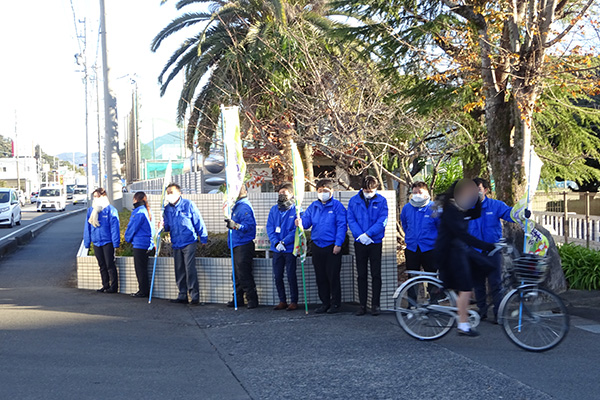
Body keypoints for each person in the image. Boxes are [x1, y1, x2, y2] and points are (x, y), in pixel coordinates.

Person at [435, 179, 496, 337]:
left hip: (460, 251)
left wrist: (478, 199)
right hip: (450, 253)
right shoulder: (451, 210)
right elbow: (462, 235)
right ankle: (463, 324)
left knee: (482, 270)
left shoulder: (460, 207)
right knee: (466, 288)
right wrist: (485, 245)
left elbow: (476, 213)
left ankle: (463, 310)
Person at [469, 177, 523, 323]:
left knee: (496, 283)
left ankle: (498, 313)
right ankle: (482, 311)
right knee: (478, 284)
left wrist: (522, 214)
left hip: (493, 251)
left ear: (485, 190)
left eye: (478, 189)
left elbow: (510, 214)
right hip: (475, 251)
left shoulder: (495, 205)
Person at [297, 179, 347, 314]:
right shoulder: (313, 206)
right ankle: (324, 302)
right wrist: (300, 222)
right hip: (317, 245)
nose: (323, 193)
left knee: (333, 276)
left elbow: (342, 226)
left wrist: (338, 243)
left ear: (332, 192)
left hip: (331, 246)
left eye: (325, 191)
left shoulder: (337, 207)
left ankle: (335, 303)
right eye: (320, 191)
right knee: (320, 276)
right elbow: (307, 222)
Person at [347, 175, 388, 316]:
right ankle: (362, 305)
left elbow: (383, 220)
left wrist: (369, 234)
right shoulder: (354, 201)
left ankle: (375, 305)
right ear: (362, 188)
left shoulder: (382, 200)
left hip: (375, 241)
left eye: (371, 190)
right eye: (366, 190)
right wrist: (360, 235)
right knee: (361, 274)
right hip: (360, 242)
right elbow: (350, 219)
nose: (369, 192)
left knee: (376, 274)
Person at [163, 183, 208, 305]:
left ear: (179, 193)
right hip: (176, 242)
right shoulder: (166, 209)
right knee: (179, 269)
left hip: (189, 241)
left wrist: (203, 237)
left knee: (189, 268)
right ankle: (182, 294)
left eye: (171, 192)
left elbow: (198, 221)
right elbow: (166, 226)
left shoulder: (188, 205)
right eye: (167, 192)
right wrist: (161, 225)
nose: (169, 195)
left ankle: (194, 296)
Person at [225, 185, 258, 309]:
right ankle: (238, 298)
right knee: (236, 274)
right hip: (236, 243)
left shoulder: (244, 206)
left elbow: (249, 226)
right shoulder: (236, 206)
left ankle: (252, 299)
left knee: (243, 273)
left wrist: (235, 226)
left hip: (243, 243)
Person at [266, 183, 299, 311]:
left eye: (284, 193)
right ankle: (282, 300)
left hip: (289, 248)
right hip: (277, 249)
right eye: (280, 193)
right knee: (278, 275)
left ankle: (294, 301)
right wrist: (275, 242)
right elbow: (270, 227)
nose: (281, 196)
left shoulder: (296, 210)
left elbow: (296, 230)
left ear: (291, 194)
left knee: (291, 275)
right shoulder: (274, 209)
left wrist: (284, 242)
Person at [83, 188, 120, 293]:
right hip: (96, 241)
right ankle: (105, 285)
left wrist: (115, 242)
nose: (95, 199)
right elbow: (87, 227)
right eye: (94, 196)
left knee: (110, 264)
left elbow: (114, 228)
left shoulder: (110, 210)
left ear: (103, 196)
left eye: (97, 196)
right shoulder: (91, 210)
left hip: (107, 241)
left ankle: (114, 287)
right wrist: (87, 242)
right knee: (102, 265)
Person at [124, 191, 155, 298]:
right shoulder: (148, 211)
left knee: (140, 269)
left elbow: (132, 228)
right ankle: (144, 290)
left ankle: (143, 290)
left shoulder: (138, 212)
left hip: (139, 244)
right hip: (148, 243)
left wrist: (127, 239)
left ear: (136, 199)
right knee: (144, 268)